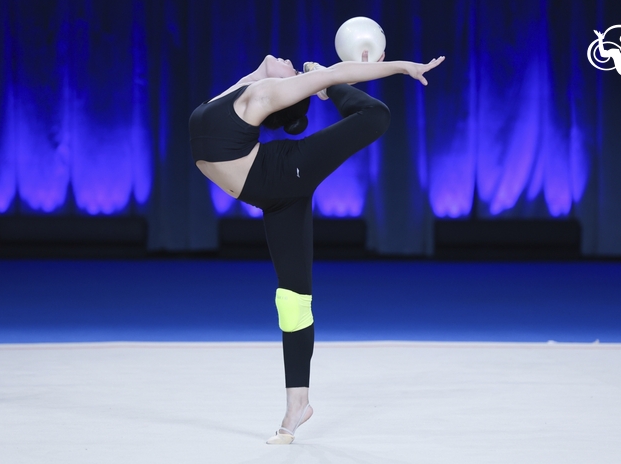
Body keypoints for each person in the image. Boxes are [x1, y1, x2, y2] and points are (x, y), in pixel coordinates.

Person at [189, 50, 445, 444]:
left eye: (292, 68)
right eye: (291, 64)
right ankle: (298, 407)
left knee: (376, 116)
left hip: (283, 173)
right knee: (292, 300)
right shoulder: (242, 88)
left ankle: (332, 90)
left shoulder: (264, 94)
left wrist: (398, 67)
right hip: (274, 194)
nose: (288, 60)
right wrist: (321, 79)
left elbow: (340, 70)